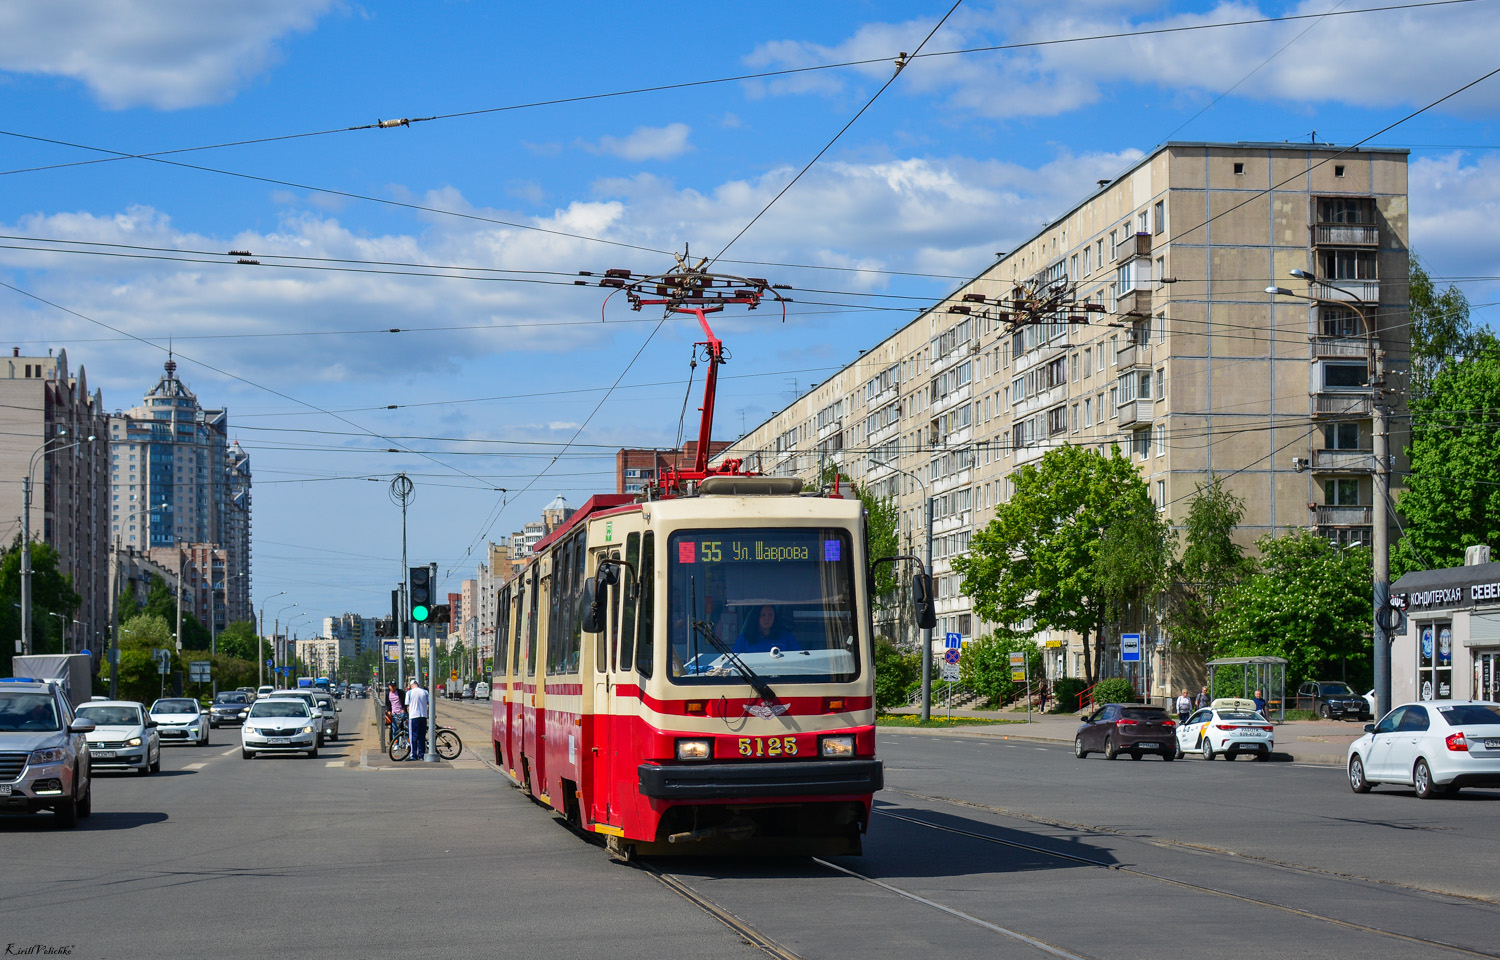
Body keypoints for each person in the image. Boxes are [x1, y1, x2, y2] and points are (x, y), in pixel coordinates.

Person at [733, 604, 802, 654]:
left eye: (770, 615)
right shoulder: (745, 638)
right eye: (763, 615)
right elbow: (734, 662)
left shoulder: (786, 637)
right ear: (756, 617)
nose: (767, 618)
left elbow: (799, 657)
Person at [405, 678, 430, 761]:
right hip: (423, 716)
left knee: (413, 736)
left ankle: (413, 754)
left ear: (411, 685)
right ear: (418, 685)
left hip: (414, 716)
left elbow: (407, 706)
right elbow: (428, 703)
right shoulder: (425, 692)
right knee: (422, 736)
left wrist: (408, 714)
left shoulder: (409, 693)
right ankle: (421, 754)